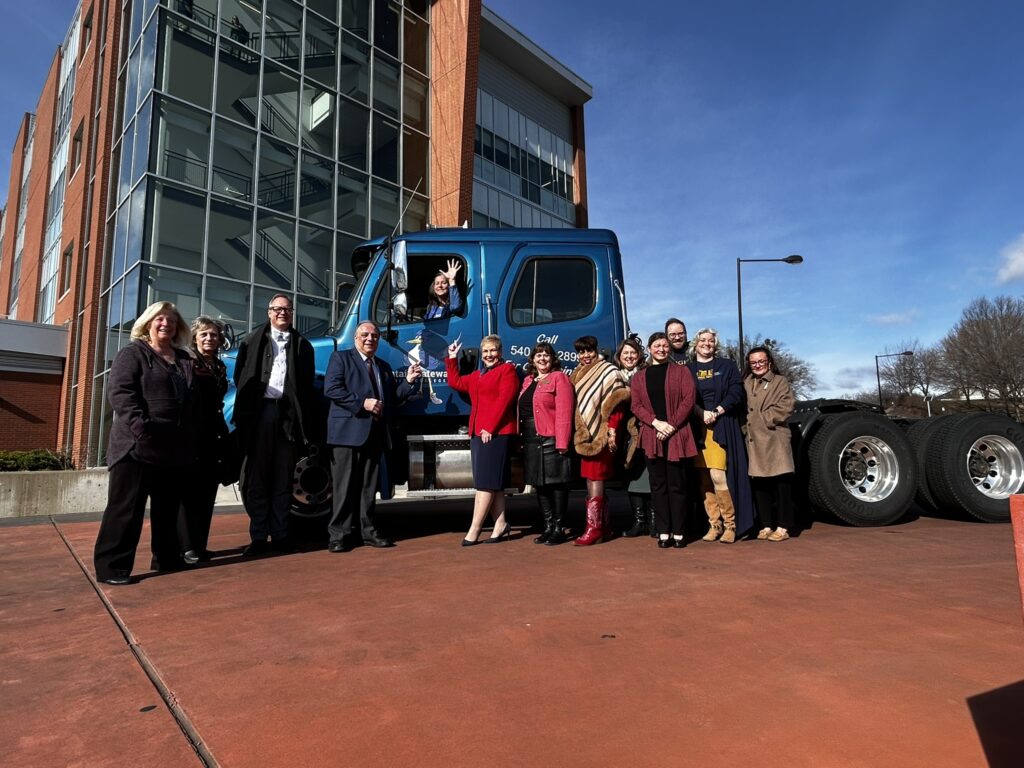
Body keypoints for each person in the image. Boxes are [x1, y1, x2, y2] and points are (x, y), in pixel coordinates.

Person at [93, 301, 197, 585]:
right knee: (126, 509)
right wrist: (140, 427)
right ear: (148, 323)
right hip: (136, 446)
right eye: (160, 319)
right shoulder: (133, 353)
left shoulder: (184, 359)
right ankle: (112, 568)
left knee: (168, 509)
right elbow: (120, 393)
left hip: (172, 449)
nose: (166, 324)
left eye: (172, 321)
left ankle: (167, 558)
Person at [325, 321, 421, 551]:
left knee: (369, 487)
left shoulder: (383, 367)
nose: (370, 339)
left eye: (375, 336)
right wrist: (362, 403)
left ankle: (368, 531)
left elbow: (391, 400)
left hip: (375, 434)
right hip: (347, 434)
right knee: (344, 487)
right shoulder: (341, 358)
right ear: (356, 338)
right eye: (365, 335)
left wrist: (407, 382)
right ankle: (338, 535)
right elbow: (332, 388)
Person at [233, 295, 317, 556]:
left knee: (283, 478)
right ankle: (259, 537)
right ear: (269, 312)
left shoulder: (303, 345)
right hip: (261, 414)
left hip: (288, 417)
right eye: (278, 309)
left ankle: (280, 535)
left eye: (287, 309)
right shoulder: (251, 341)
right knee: (257, 478)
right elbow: (241, 378)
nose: (283, 313)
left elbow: (306, 385)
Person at [446, 334, 519, 545]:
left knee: (485, 484)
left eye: (493, 350)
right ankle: (501, 523)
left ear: (500, 352)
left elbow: (506, 400)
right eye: (485, 351)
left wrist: (491, 427)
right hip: (478, 433)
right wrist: (451, 358)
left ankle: (474, 529)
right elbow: (456, 382)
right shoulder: (478, 375)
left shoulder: (507, 371)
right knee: (492, 484)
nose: (489, 354)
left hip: (495, 433)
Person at [687, 328, 755, 543]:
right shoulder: (688, 369)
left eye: (710, 340)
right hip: (698, 429)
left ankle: (730, 525)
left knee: (718, 476)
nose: (706, 343)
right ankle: (714, 525)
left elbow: (736, 392)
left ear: (715, 344)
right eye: (702, 340)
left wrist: (717, 410)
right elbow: (686, 397)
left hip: (721, 426)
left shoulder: (726, 366)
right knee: (704, 478)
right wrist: (701, 413)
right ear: (695, 344)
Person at [630, 331, 697, 549]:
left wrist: (671, 425)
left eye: (665, 346)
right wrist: (656, 423)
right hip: (652, 435)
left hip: (677, 435)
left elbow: (688, 400)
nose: (661, 349)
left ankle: (679, 531)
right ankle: (663, 531)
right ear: (649, 349)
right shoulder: (640, 377)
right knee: (658, 486)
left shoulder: (682, 371)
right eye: (657, 345)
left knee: (677, 485)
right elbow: (636, 405)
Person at [178, 316, 231, 564]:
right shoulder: (186, 362)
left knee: (207, 493)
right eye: (204, 334)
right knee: (189, 493)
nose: (210, 338)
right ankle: (186, 546)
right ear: (195, 337)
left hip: (213, 435)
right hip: (191, 436)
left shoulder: (219, 366)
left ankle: (200, 544)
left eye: (213, 335)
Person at [570, 335, 631, 546]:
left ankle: (594, 529)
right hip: (586, 433)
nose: (585, 356)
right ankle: (603, 527)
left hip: (602, 434)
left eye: (589, 351)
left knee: (595, 477)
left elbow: (618, 404)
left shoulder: (609, 371)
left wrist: (612, 430)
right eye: (581, 352)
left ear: (597, 350)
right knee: (590, 477)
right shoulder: (576, 373)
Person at [519, 342, 575, 545]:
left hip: (551, 438)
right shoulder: (527, 381)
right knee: (540, 486)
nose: (542, 359)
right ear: (532, 359)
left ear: (552, 359)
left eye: (546, 355)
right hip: (531, 439)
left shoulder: (559, 378)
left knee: (557, 484)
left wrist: (562, 441)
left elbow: (565, 412)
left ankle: (559, 528)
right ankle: (548, 526)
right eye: (538, 355)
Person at [743, 346, 797, 542]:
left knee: (781, 484)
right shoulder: (747, 382)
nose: (757, 365)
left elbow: (787, 405)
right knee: (760, 485)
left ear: (769, 363)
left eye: (761, 361)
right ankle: (766, 525)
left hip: (775, 439)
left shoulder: (780, 381)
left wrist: (765, 419)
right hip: (754, 441)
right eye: (753, 362)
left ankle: (783, 527)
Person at [614, 337, 654, 538]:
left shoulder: (647, 374)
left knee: (651, 476)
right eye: (625, 353)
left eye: (633, 353)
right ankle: (639, 521)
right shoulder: (614, 376)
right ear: (619, 357)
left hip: (647, 429)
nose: (629, 356)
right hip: (624, 434)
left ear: (639, 356)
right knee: (633, 477)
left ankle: (655, 521)